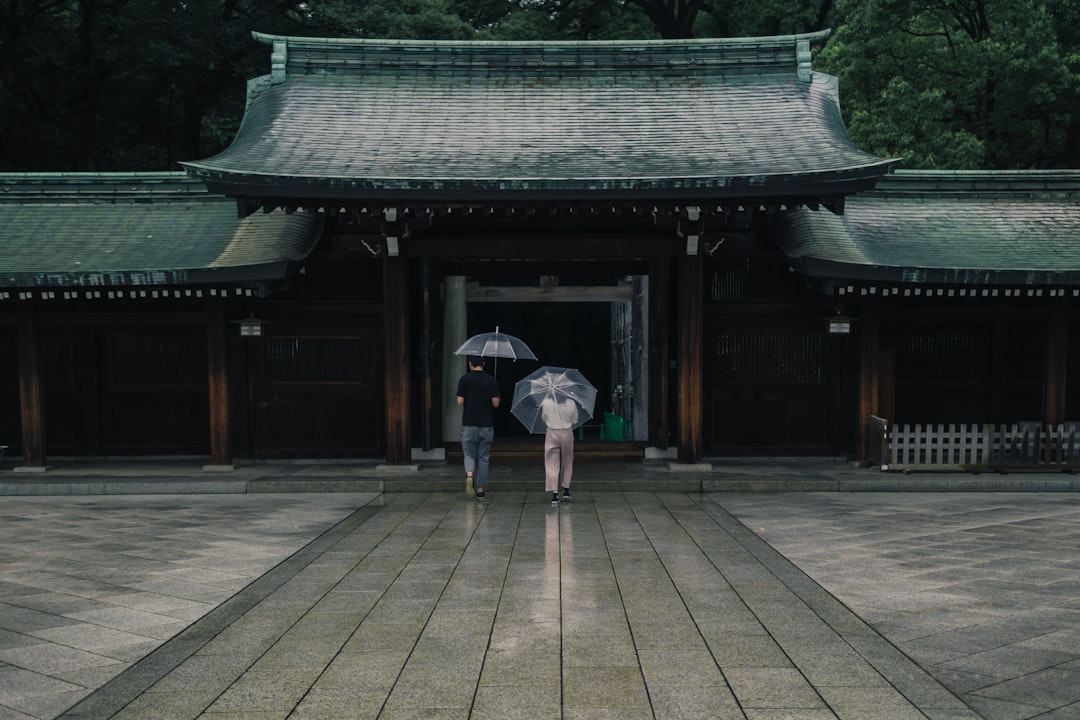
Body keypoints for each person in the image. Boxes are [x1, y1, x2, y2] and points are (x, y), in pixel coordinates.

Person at [456, 355, 500, 499]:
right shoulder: (491, 380)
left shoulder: (464, 379)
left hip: (469, 424)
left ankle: (469, 475)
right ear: (484, 364)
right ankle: (480, 489)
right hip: (486, 425)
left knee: (469, 454)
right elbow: (495, 404)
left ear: (470, 364)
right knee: (483, 458)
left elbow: (460, 401)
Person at [541, 393, 578, 505]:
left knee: (552, 463)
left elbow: (544, 418)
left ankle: (555, 493)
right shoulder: (571, 403)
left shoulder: (546, 402)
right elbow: (575, 420)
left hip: (552, 432)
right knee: (567, 460)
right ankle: (566, 489)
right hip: (567, 432)